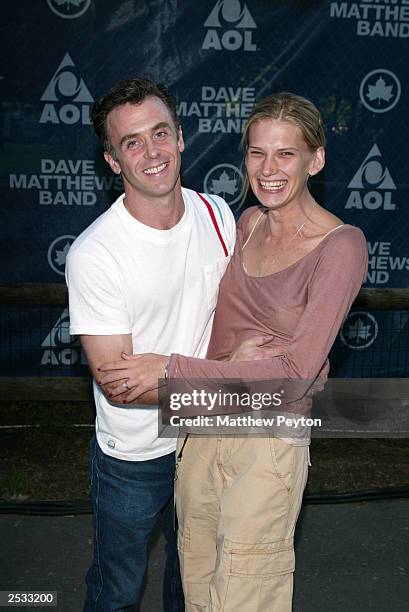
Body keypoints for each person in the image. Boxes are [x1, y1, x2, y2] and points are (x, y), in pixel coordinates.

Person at [97, 92, 368, 611]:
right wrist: (234, 362)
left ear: (317, 159)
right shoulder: (245, 225)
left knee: (245, 593)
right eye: (257, 153)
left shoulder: (341, 245)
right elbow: (226, 340)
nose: (268, 169)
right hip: (203, 426)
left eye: (286, 154)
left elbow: (294, 373)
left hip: (267, 440)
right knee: (197, 585)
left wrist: (170, 370)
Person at [65, 77, 236, 611]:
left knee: (193, 585)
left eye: (160, 133)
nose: (152, 152)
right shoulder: (97, 255)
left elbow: (236, 332)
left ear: (181, 137)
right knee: (116, 591)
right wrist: (226, 387)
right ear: (112, 161)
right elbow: (120, 387)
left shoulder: (218, 215)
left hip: (206, 443)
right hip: (135, 455)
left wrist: (169, 370)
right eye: (131, 142)